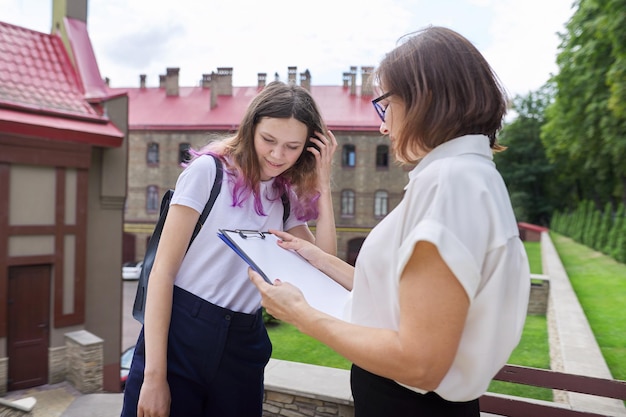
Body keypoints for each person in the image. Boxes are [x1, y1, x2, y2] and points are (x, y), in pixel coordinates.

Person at [249, 26, 531, 417]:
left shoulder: (451, 185)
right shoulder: (464, 176)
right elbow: (399, 298)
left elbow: (420, 363)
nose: (383, 126)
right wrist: (318, 258)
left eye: (385, 107)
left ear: (423, 100)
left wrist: (301, 314)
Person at [121, 80, 338, 417]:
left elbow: (325, 266)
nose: (278, 155)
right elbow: (162, 273)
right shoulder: (209, 172)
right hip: (180, 335)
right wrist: (154, 377)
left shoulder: (284, 197)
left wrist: (323, 183)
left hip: (242, 342)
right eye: (269, 140)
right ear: (250, 128)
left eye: (292, 146)